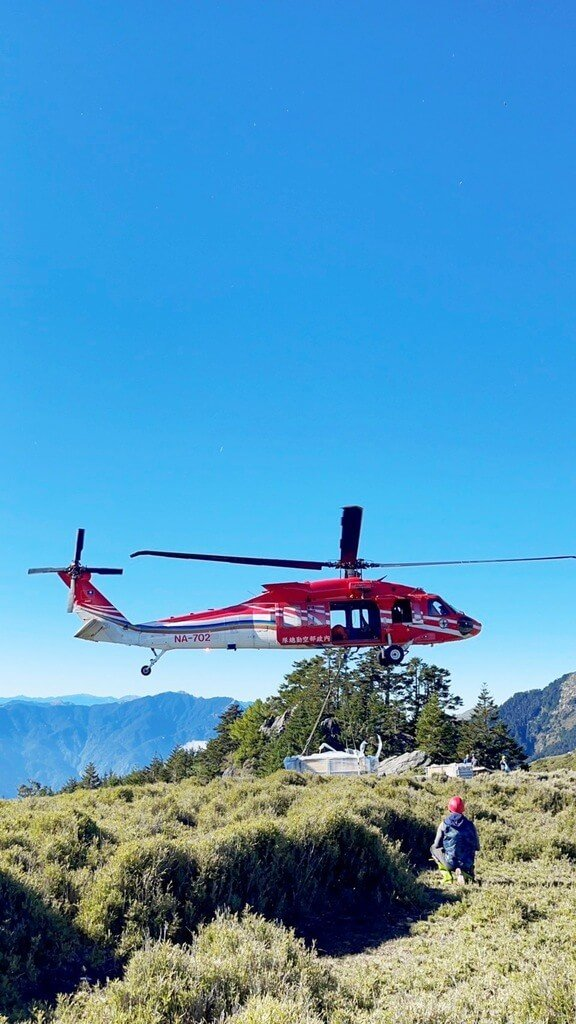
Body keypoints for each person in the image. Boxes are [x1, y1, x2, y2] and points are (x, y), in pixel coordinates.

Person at [431, 796, 480, 884]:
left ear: (449, 808)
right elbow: (477, 847)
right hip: (467, 863)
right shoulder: (470, 825)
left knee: (433, 849)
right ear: (463, 809)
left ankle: (447, 877)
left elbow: (437, 844)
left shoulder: (444, 824)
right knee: (466, 857)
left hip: (450, 861)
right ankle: (465, 874)